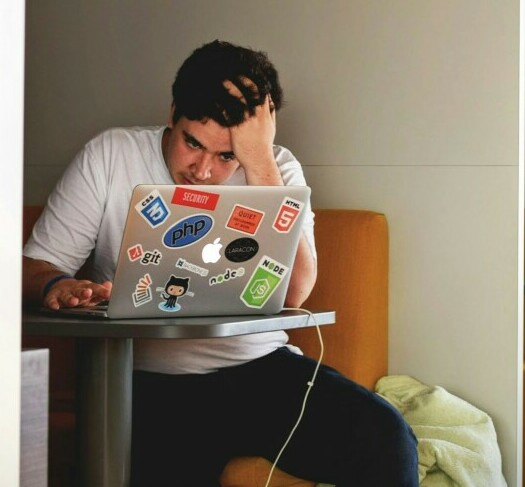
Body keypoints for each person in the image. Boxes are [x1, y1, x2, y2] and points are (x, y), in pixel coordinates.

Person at [23, 40, 418, 486]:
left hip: (260, 371)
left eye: (226, 155)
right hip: (148, 382)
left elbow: (295, 292)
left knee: (386, 436)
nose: (203, 170)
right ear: (172, 113)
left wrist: (259, 162)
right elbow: (34, 264)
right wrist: (56, 284)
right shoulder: (110, 155)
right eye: (193, 143)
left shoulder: (276, 168)